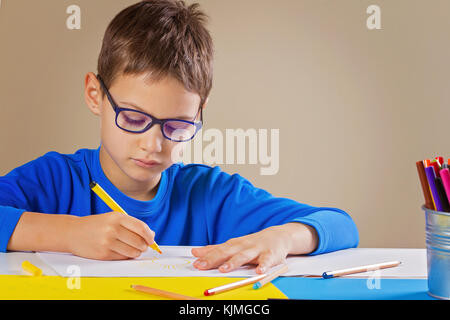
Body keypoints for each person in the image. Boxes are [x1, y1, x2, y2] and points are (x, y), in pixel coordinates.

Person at [0, 0, 358, 274]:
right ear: (96, 95)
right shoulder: (53, 181)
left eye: (177, 126)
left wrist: (280, 237)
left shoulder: (211, 195)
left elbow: (340, 225)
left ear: (199, 112)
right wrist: (67, 234)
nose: (153, 144)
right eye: (134, 117)